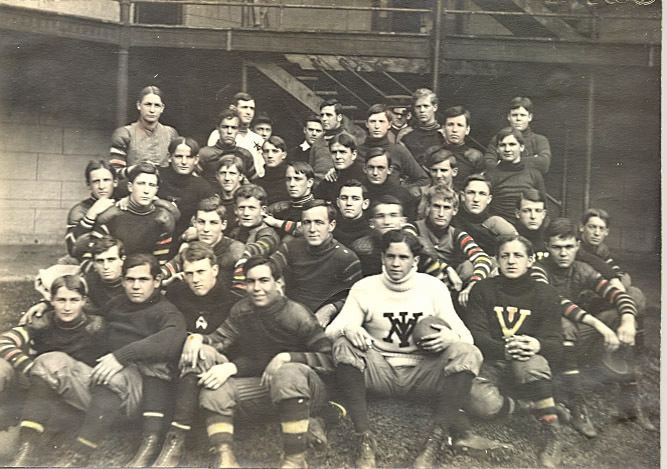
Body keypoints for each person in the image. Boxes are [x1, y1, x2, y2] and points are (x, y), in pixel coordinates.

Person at [326, 229, 507, 469]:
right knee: (343, 344)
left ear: (416, 261)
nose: (395, 263)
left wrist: (450, 337)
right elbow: (331, 331)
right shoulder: (365, 288)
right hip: (381, 369)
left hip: (423, 372)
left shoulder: (432, 287)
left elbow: (467, 338)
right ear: (382, 258)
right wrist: (348, 328)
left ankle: (436, 440)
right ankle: (364, 438)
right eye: (390, 256)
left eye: (403, 257)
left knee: (466, 352)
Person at [197, 256, 335, 468]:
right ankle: (225, 457)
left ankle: (295, 459)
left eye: (263, 280)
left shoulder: (297, 314)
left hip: (306, 390)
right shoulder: (242, 310)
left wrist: (288, 357)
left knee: (286, 373)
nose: (256, 288)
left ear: (279, 283)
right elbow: (219, 339)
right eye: (250, 281)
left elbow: (328, 359)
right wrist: (195, 339)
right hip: (265, 385)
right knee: (214, 388)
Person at [531, 219, 655, 435]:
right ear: (548, 248)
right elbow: (555, 302)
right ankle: (577, 404)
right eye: (557, 247)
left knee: (619, 313)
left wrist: (627, 320)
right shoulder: (538, 270)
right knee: (564, 323)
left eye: (569, 247)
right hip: (545, 341)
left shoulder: (582, 269)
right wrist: (601, 326)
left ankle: (628, 401)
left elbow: (617, 294)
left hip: (579, 333)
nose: (563, 253)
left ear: (577, 246)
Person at [465, 235, 564, 468]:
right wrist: (505, 350)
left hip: (526, 361)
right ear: (496, 260)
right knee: (478, 402)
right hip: (492, 361)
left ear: (530, 260)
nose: (511, 261)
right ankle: (528, 406)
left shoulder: (545, 293)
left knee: (531, 363)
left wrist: (536, 344)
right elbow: (476, 335)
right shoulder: (482, 289)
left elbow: (555, 342)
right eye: (505, 256)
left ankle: (553, 432)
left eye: (518, 255)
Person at [4, 274, 107, 466]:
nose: (67, 307)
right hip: (41, 391)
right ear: (51, 301)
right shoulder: (42, 322)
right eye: (61, 300)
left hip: (78, 393)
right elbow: (4, 341)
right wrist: (30, 368)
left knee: (51, 361)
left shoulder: (96, 326)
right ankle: (25, 443)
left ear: (84, 301)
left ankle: (29, 447)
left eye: (74, 300)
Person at [154, 243, 237, 466]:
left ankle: (175, 441)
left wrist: (198, 341)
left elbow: (232, 342)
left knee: (200, 354)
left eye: (201, 272)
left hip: (216, 368)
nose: (195, 279)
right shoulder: (176, 293)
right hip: (181, 366)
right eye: (189, 273)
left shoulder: (230, 300)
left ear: (215, 270)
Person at [270, 200, 362, 326]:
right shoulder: (291, 247)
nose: (312, 229)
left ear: (331, 225)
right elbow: (269, 268)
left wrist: (330, 309)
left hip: (323, 323)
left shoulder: (346, 258)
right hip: (290, 317)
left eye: (319, 222)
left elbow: (356, 296)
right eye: (307, 223)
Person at [413, 185, 494, 308]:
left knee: (468, 268)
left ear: (454, 210)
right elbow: (413, 249)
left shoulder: (457, 234)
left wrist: (473, 285)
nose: (441, 213)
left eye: (446, 208)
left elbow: (482, 258)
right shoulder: (412, 228)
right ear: (428, 207)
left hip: (449, 290)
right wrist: (446, 268)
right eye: (436, 206)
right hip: (418, 288)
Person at [90, 163, 178, 265]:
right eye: (141, 184)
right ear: (130, 187)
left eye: (152, 185)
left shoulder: (163, 218)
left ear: (156, 190)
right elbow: (96, 257)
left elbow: (160, 261)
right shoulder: (110, 216)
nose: (146, 191)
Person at [161, 197, 245, 299]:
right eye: (201, 222)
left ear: (223, 225)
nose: (206, 229)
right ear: (194, 223)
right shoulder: (191, 248)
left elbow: (241, 292)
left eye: (213, 223)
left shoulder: (235, 250)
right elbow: (164, 271)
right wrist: (165, 282)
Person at [157, 137, 215, 254]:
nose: (184, 162)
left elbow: (211, 215)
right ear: (169, 157)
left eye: (189, 157)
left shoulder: (203, 187)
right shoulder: (157, 176)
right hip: (153, 237)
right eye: (179, 156)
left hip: (183, 242)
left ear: (196, 159)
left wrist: (196, 230)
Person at [110, 85, 179, 178]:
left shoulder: (171, 134)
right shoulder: (124, 133)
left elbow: (177, 168)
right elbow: (115, 172)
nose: (152, 110)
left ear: (162, 108)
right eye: (148, 104)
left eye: (157, 105)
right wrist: (136, 169)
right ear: (139, 105)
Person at [578, 208, 645, 300]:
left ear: (606, 232)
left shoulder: (602, 249)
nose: (597, 233)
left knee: (635, 292)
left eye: (601, 228)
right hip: (583, 291)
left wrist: (619, 277)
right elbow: (588, 257)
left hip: (601, 287)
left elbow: (612, 265)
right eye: (592, 227)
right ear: (581, 227)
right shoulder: (573, 246)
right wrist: (613, 278)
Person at [358, 103, 429, 189]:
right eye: (373, 121)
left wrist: (401, 191)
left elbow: (424, 180)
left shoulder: (398, 151)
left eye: (381, 121)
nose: (377, 126)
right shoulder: (357, 152)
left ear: (389, 124)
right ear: (366, 124)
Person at [486, 127, 546, 224]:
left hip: (528, 226)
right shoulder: (491, 175)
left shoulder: (534, 174)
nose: (507, 149)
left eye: (512, 144)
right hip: (500, 228)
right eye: (502, 145)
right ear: (497, 149)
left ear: (521, 147)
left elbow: (544, 206)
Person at [65, 160, 118, 261]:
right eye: (96, 181)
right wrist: (91, 215)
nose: (101, 186)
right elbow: (73, 249)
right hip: (92, 262)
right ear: (88, 185)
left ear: (115, 182)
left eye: (106, 180)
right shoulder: (80, 210)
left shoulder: (123, 204)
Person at [451, 174, 517, 256]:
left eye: (482, 194)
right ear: (463, 196)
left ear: (489, 199)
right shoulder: (452, 221)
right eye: (471, 193)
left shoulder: (495, 224)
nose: (476, 199)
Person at [484, 97, 551, 175]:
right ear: (509, 117)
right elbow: (488, 163)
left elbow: (544, 164)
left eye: (522, 115)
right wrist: (533, 159)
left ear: (530, 117)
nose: (518, 119)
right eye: (514, 115)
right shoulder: (497, 139)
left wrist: (504, 162)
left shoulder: (539, 140)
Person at [207, 92, 265, 178]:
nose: (249, 112)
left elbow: (260, 170)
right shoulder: (218, 134)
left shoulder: (258, 139)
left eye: (252, 108)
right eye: (244, 107)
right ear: (233, 108)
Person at [309, 99, 366, 179]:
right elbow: (311, 168)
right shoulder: (317, 141)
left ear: (339, 117)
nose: (324, 119)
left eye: (328, 115)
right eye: (322, 115)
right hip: (317, 186)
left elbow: (358, 168)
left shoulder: (350, 139)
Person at [199, 109, 257, 185]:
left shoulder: (246, 154)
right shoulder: (204, 154)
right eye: (225, 127)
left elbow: (252, 181)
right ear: (218, 128)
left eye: (234, 128)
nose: (229, 132)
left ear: (238, 130)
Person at [362, 147, 418, 220]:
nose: (375, 173)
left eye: (380, 168)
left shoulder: (403, 195)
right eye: (371, 168)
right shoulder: (357, 192)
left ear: (389, 170)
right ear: (364, 169)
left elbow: (410, 223)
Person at [263, 161, 316, 238]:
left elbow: (306, 229)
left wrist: (275, 222)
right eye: (288, 179)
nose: (291, 184)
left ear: (309, 182)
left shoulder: (318, 208)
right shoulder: (280, 207)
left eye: (297, 179)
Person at [441, 106, 485, 191]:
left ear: (467, 130)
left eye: (460, 125)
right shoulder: (433, 153)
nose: (454, 130)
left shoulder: (475, 157)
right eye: (450, 124)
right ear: (443, 128)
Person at [313, 132, 366, 203]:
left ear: (354, 154)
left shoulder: (364, 175)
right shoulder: (331, 178)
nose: (337, 157)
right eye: (334, 152)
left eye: (342, 152)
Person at [396, 88, 445, 164]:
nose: (422, 110)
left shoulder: (444, 134)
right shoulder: (405, 134)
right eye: (418, 107)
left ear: (435, 107)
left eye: (426, 106)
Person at [413, 147, 457, 220]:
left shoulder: (460, 196)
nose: (438, 175)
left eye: (443, 170)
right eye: (434, 170)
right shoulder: (419, 194)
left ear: (454, 172)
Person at [333, 179, 373, 248]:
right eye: (344, 198)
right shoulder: (330, 232)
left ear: (365, 204)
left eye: (355, 199)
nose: (348, 203)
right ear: (338, 202)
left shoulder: (372, 236)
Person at [515, 189, 550, 260]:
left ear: (543, 214)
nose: (533, 216)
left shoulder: (550, 237)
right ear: (517, 214)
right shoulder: (511, 237)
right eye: (527, 211)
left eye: (538, 211)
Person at [255, 135, 290, 205]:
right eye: (266, 151)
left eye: (275, 151)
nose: (270, 155)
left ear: (284, 155)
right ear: (262, 155)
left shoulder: (291, 180)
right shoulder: (257, 184)